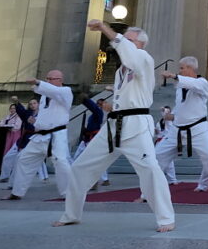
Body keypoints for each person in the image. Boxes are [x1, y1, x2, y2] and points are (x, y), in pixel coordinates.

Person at [54, 20, 175, 232]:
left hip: (136, 126)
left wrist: (104, 28)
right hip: (113, 127)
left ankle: (166, 219)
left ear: (140, 44)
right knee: (80, 168)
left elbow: (130, 56)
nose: (123, 44)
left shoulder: (144, 60)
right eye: (124, 40)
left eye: (129, 40)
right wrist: (112, 106)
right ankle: (71, 214)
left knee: (150, 170)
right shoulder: (121, 71)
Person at [159, 58, 208, 204]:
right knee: (157, 157)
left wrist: (174, 76)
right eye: (179, 69)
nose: (179, 71)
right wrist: (171, 115)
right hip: (177, 130)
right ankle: (146, 194)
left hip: (198, 130)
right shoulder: (179, 87)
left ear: (190, 68)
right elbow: (181, 106)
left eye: (182, 68)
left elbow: (192, 84)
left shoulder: (202, 83)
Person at [1, 70, 73, 200]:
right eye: (47, 78)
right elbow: (46, 110)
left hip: (57, 135)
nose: (49, 81)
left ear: (60, 80)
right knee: (23, 159)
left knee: (61, 162)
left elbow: (51, 90)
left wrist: (37, 82)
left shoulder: (66, 91)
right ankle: (17, 192)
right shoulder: (45, 96)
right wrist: (37, 123)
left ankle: (69, 194)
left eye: (52, 79)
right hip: (40, 136)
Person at [72, 95, 110, 189]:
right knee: (76, 158)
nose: (98, 105)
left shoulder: (98, 112)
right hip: (87, 138)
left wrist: (86, 100)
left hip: (92, 138)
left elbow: (93, 107)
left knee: (94, 160)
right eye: (97, 103)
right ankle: (74, 176)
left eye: (100, 104)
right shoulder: (93, 114)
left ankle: (96, 180)